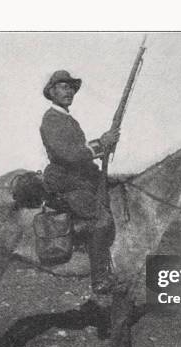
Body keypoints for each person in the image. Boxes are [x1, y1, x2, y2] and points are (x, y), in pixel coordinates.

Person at [40, 70, 120, 294]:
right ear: (52, 92)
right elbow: (68, 154)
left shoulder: (66, 118)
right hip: (65, 182)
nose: (69, 92)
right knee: (101, 220)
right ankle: (100, 279)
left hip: (76, 179)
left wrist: (103, 146)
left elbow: (80, 152)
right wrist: (100, 144)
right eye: (63, 88)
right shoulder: (51, 119)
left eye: (71, 89)